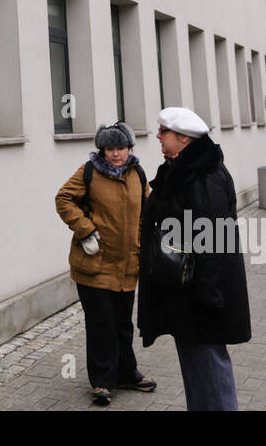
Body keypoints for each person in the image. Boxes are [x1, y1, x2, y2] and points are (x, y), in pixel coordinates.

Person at [137, 107, 251, 411]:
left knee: (210, 373)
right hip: (185, 292)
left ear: (184, 139)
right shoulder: (181, 170)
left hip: (202, 297)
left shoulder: (205, 176)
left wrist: (208, 299)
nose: (158, 136)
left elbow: (216, 242)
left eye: (164, 131)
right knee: (197, 371)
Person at [55, 121, 156, 406]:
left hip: (127, 266)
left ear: (129, 148)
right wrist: (85, 229)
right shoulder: (89, 172)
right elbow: (63, 199)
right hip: (94, 265)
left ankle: (126, 373)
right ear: (102, 150)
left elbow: (147, 211)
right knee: (102, 323)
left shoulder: (138, 174)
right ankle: (102, 381)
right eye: (110, 148)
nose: (115, 154)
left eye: (120, 148)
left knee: (123, 323)